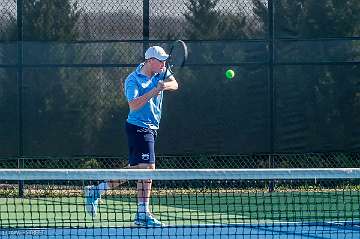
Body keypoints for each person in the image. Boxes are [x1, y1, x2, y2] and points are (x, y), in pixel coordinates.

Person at [84, 46, 178, 227]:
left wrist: (164, 85)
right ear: (150, 61)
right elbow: (133, 105)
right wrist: (154, 91)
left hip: (151, 128)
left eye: (165, 60)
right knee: (148, 168)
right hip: (138, 128)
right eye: (160, 60)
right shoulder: (132, 80)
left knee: (136, 169)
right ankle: (143, 214)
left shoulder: (162, 71)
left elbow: (175, 84)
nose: (164, 63)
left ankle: (97, 190)